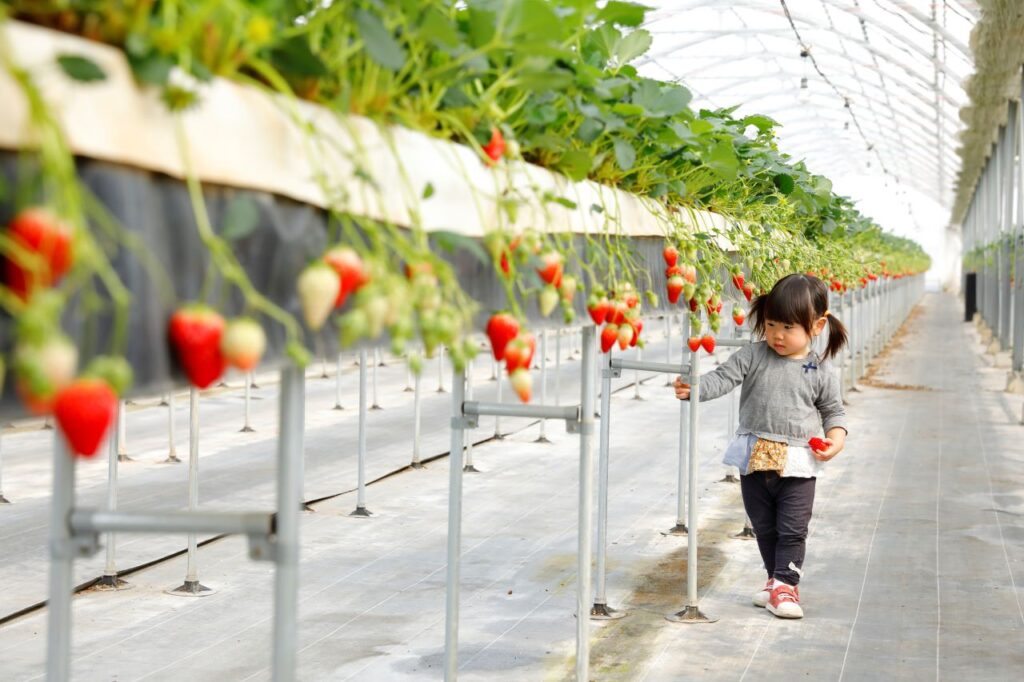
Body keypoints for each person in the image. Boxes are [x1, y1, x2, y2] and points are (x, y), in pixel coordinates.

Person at [672, 273, 848, 619]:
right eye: (770, 324)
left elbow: (833, 411)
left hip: (798, 462)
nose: (777, 335)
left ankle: (786, 584)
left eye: (788, 327)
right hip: (755, 458)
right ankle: (774, 580)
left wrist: (836, 441)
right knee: (763, 525)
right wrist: (695, 388)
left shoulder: (821, 369)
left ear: (817, 325)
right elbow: (722, 378)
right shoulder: (753, 355)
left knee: (793, 527)